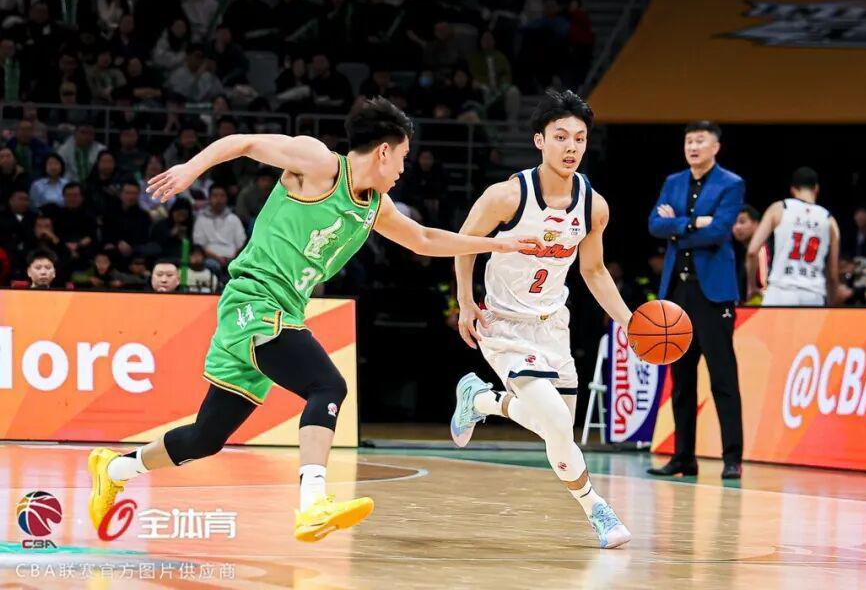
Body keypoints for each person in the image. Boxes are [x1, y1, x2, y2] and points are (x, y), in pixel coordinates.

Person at [87, 98, 538, 543]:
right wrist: (191, 169)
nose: (404, 168)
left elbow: (422, 239)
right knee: (328, 385)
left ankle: (114, 468)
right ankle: (312, 504)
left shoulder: (376, 206)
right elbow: (243, 143)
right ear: (384, 151)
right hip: (254, 300)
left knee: (205, 438)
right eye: (403, 156)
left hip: (283, 311)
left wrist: (496, 245)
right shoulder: (319, 163)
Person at [450, 90, 632, 549]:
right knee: (554, 422)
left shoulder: (593, 206)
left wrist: (628, 321)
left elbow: (593, 271)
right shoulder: (507, 196)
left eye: (579, 138)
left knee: (557, 428)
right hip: (505, 324)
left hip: (553, 326)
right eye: (561, 136)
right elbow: (463, 243)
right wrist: (465, 302)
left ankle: (480, 400)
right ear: (539, 140)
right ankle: (598, 510)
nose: (571, 147)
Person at [647, 122, 744, 479]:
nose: (693, 146)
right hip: (678, 291)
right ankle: (683, 457)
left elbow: (719, 231)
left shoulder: (731, 183)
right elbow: (654, 225)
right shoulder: (673, 182)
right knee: (681, 379)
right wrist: (692, 224)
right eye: (688, 140)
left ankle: (732, 457)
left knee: (723, 378)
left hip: (713, 293)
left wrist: (677, 227)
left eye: (700, 141)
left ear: (715, 147)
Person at [748, 167, 840, 307]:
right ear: (816, 188)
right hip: (813, 294)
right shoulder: (829, 220)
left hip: (780, 291)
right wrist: (831, 305)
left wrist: (751, 286)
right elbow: (833, 274)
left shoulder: (779, 208)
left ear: (792, 189)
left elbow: (752, 251)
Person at [192, 184, 247, 273]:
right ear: (209, 199)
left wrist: (232, 258)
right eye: (215, 196)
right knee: (211, 264)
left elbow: (241, 242)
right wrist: (218, 258)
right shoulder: (201, 219)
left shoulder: (234, 218)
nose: (219, 199)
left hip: (232, 258)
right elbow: (200, 244)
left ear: (226, 198)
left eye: (222, 196)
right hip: (210, 259)